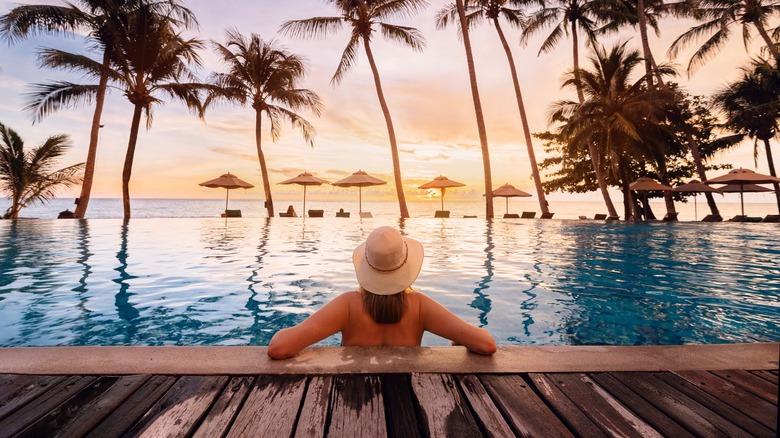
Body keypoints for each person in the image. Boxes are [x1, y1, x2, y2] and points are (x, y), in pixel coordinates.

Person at [267, 226, 497, 359]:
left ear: (367, 264)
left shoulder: (348, 305)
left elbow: (279, 348)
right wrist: (458, 339)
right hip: (406, 399)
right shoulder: (419, 306)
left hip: (352, 400)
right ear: (406, 264)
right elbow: (486, 344)